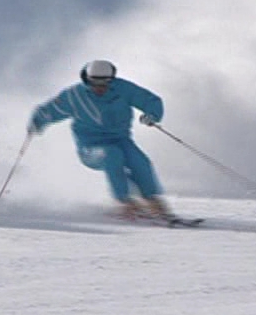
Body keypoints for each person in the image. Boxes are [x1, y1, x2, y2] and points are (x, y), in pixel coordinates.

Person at [27, 60, 171, 219]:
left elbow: (151, 100)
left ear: (112, 79)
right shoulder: (75, 95)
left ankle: (152, 201)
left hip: (122, 141)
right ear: (87, 79)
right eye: (94, 83)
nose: (100, 88)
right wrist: (37, 121)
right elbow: (50, 110)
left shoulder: (123, 89)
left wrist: (152, 115)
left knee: (140, 162)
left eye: (105, 83)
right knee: (112, 155)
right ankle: (123, 203)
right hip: (91, 148)